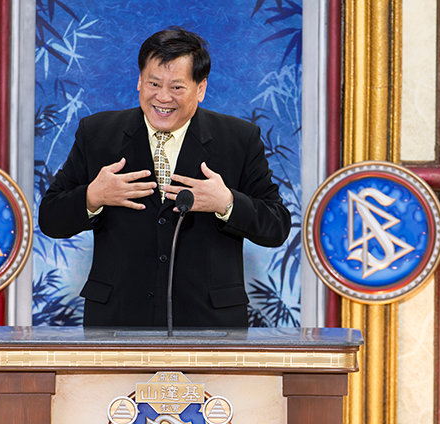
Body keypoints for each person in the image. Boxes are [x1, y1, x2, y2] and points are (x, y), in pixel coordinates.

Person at [39, 27, 291, 328]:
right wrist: (93, 197)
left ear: (200, 89)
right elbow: (50, 219)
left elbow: (277, 226)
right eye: (153, 83)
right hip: (118, 319)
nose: (162, 97)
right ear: (139, 81)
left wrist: (227, 203)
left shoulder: (238, 139)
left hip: (210, 323)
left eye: (176, 87)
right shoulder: (97, 134)